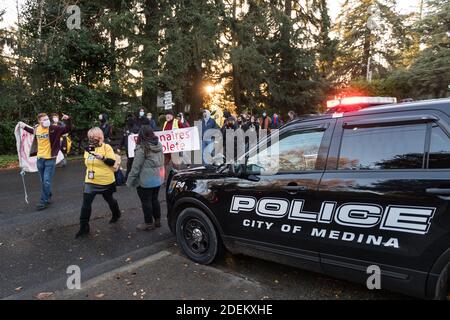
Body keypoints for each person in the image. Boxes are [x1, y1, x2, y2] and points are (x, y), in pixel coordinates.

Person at [19, 113, 72, 210]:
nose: (47, 120)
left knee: (46, 181)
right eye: (44, 119)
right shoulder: (37, 128)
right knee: (43, 181)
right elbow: (32, 131)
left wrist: (67, 120)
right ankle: (48, 195)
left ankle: (43, 201)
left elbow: (67, 129)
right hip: (39, 159)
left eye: (47, 118)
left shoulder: (54, 128)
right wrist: (23, 126)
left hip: (50, 159)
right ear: (39, 121)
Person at [76, 127, 121, 238]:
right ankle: (83, 227)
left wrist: (103, 158)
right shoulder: (89, 148)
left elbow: (112, 162)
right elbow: (87, 162)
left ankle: (116, 213)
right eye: (90, 137)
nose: (91, 139)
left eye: (93, 137)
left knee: (109, 199)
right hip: (91, 180)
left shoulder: (107, 147)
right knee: (86, 204)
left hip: (106, 180)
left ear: (100, 137)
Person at [126, 126, 165, 231]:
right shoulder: (158, 145)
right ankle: (157, 221)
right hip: (158, 178)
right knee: (155, 199)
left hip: (146, 180)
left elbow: (135, 167)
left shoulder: (142, 148)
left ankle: (148, 223)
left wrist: (129, 181)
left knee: (146, 201)